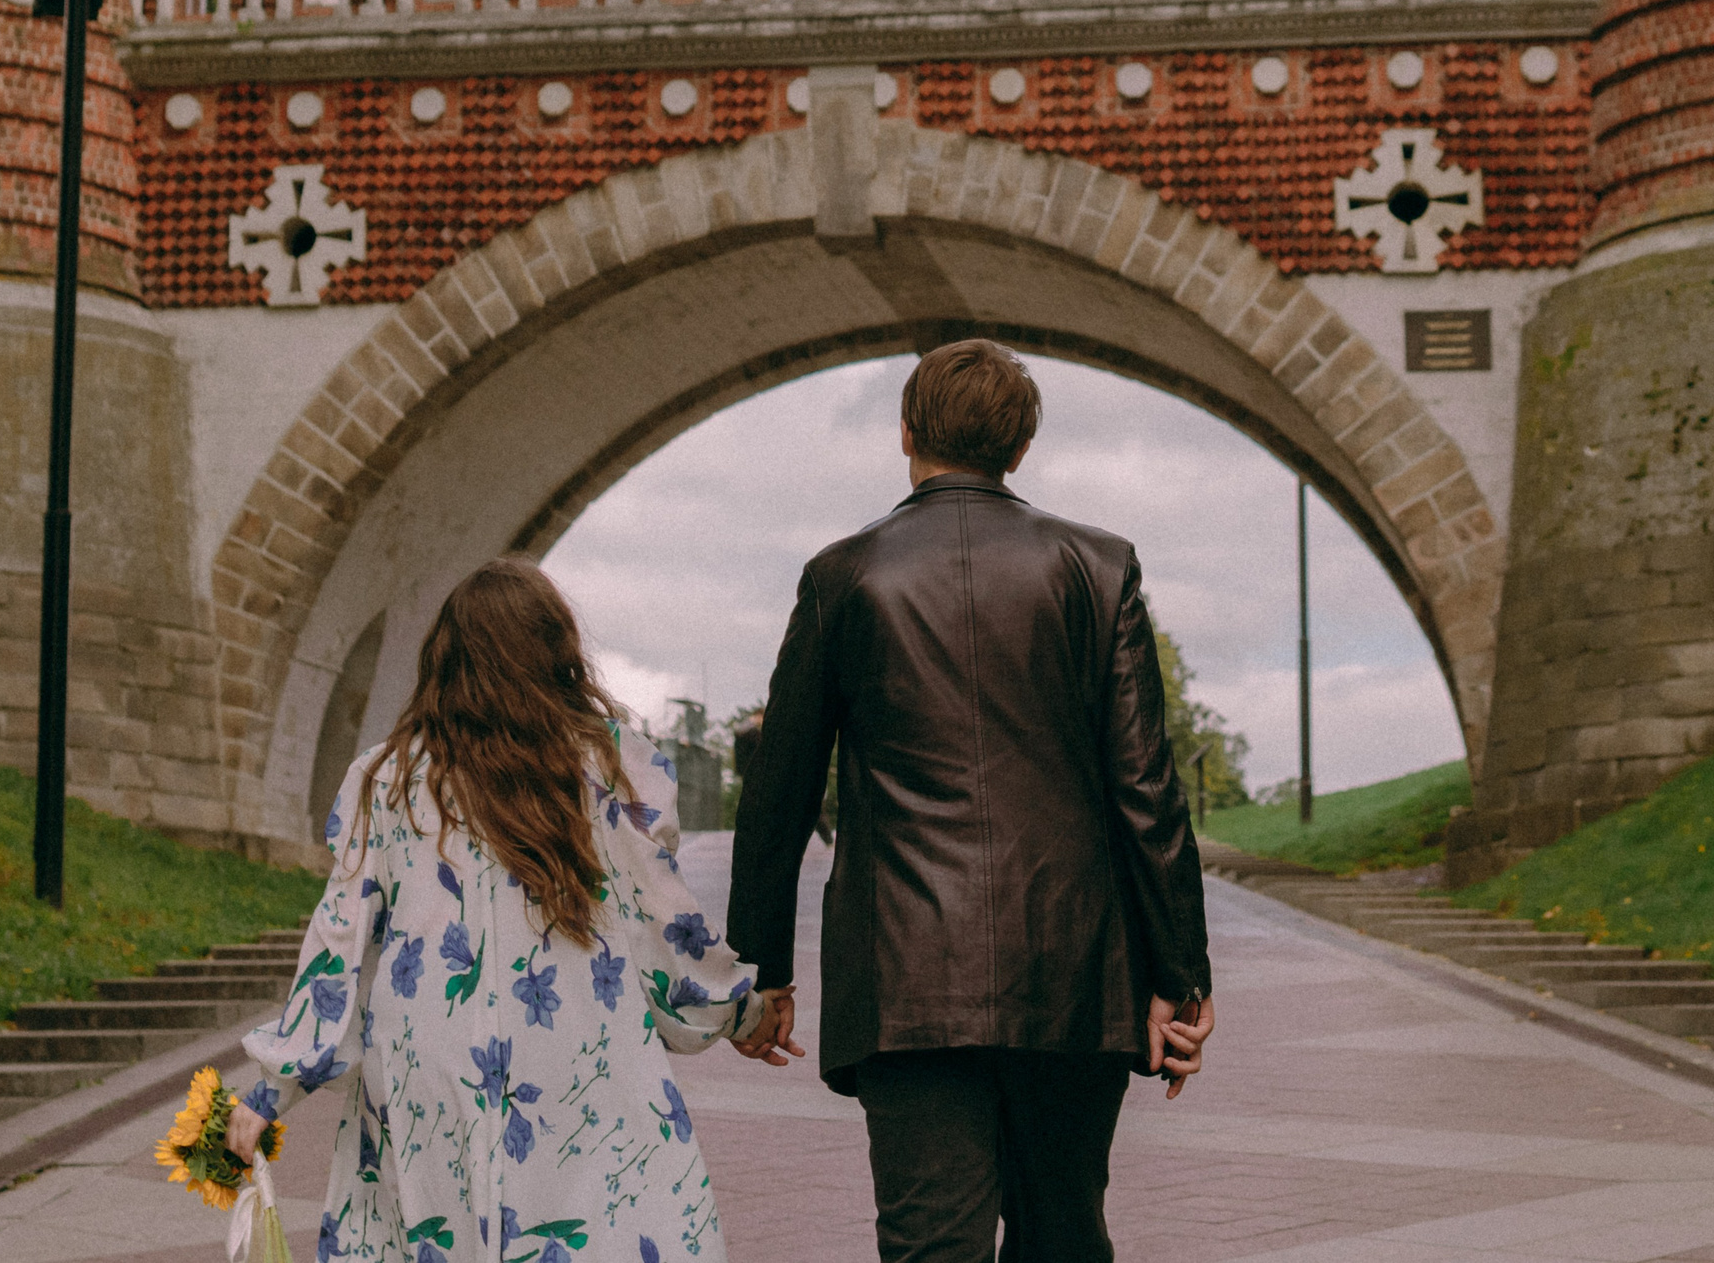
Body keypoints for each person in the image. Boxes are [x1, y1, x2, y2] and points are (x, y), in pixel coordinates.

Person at [729, 337, 1216, 1263]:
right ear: (1020, 448)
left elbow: (780, 792)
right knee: (1065, 1235)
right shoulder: (1100, 567)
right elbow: (1147, 790)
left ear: (905, 430)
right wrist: (1178, 976)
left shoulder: (843, 577)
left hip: (905, 978)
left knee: (929, 1247)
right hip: (1072, 976)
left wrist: (764, 967)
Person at [224, 559, 777, 1263]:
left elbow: (340, 943)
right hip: (579, 1055)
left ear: (444, 660)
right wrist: (746, 1014)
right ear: (559, 656)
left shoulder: (385, 777)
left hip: (426, 1068)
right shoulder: (609, 772)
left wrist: (272, 1088)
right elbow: (665, 929)